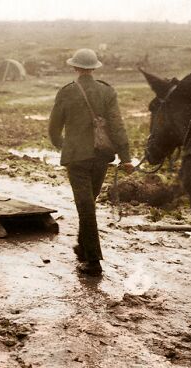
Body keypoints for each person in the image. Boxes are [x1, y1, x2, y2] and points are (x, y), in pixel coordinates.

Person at [49, 48, 134, 277]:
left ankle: (93, 261)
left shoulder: (66, 92)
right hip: (101, 156)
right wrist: (126, 158)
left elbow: (54, 129)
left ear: (75, 68)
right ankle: (82, 246)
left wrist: (64, 145)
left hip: (77, 158)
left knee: (85, 206)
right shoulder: (107, 91)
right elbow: (117, 126)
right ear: (95, 68)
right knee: (89, 203)